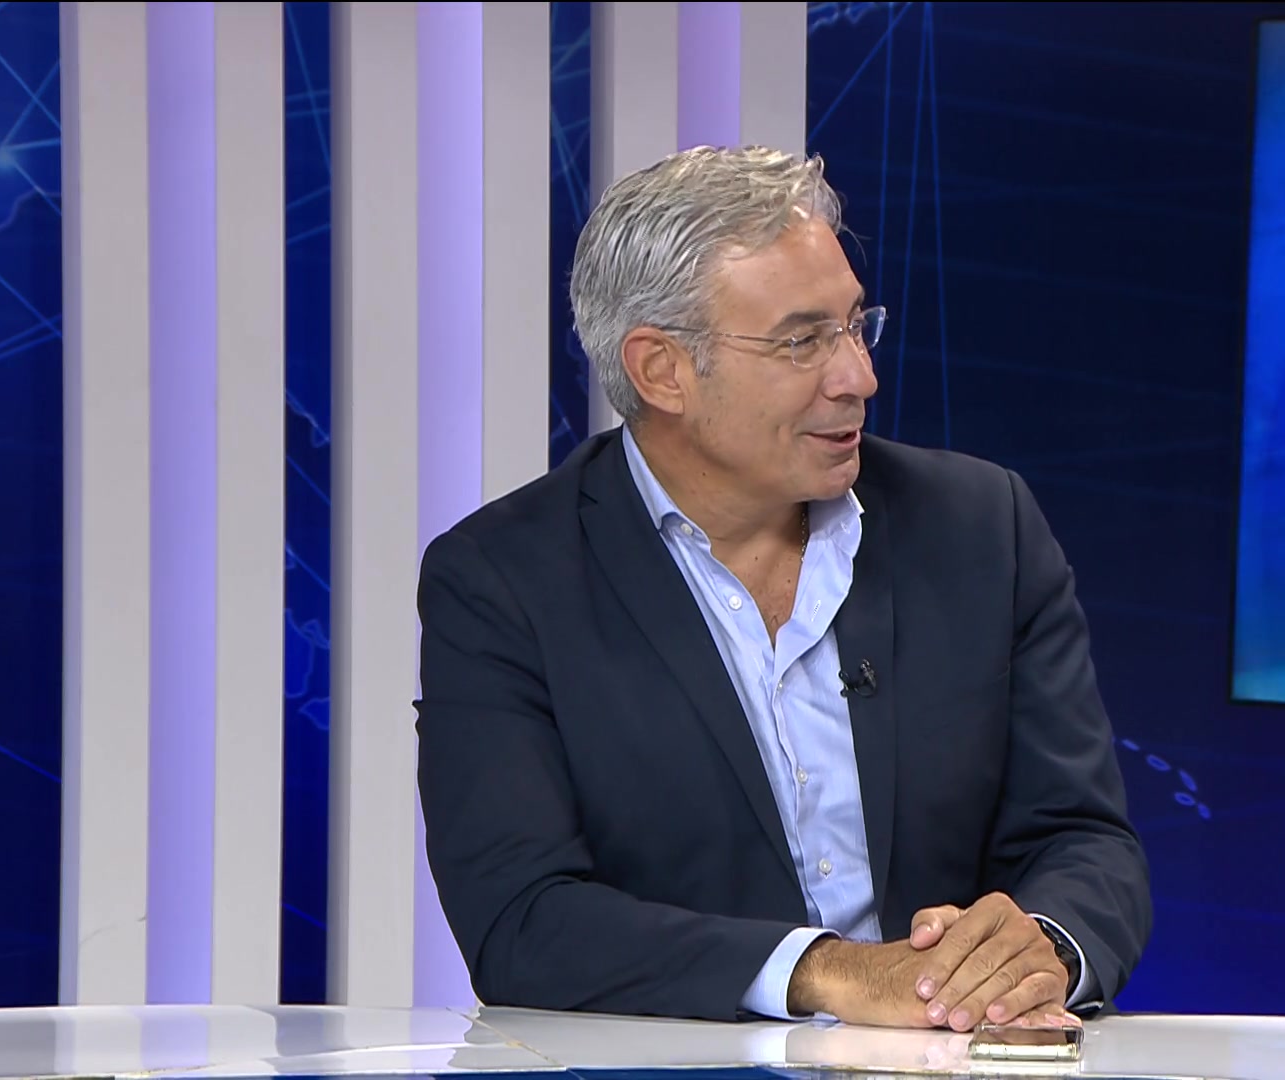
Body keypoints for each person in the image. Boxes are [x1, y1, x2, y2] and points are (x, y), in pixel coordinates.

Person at [415, 146, 1150, 1028]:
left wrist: (1037, 952)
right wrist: (830, 975)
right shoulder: (503, 583)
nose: (858, 377)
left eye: (856, 326)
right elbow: (523, 921)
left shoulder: (982, 527)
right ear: (662, 371)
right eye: (802, 342)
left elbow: (1083, 839)